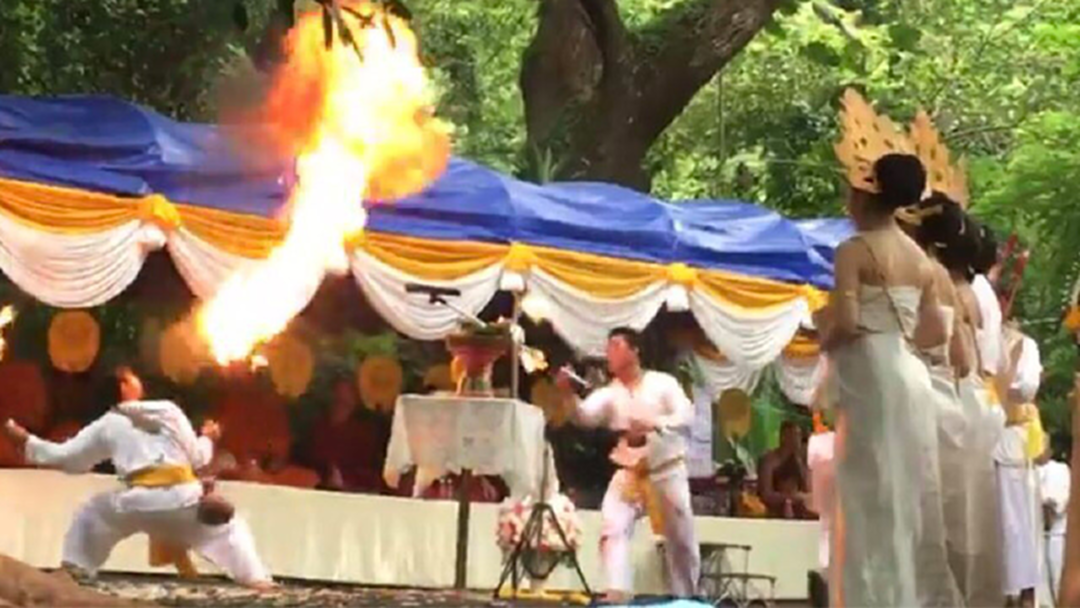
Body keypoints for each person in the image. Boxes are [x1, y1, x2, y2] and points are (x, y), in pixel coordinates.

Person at [815, 151, 961, 606]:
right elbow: (935, 332)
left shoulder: (854, 250)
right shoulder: (921, 259)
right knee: (904, 499)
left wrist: (823, 335)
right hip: (909, 373)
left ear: (865, 194)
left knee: (865, 499)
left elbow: (846, 320)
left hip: (871, 374)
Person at [0, 366, 272, 590]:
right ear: (124, 386)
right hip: (184, 500)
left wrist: (27, 441)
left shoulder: (108, 423)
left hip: (136, 503)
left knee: (93, 512)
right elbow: (198, 459)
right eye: (132, 377)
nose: (139, 380)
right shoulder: (167, 410)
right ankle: (258, 581)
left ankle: (76, 570)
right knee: (230, 529)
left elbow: (68, 458)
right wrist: (209, 437)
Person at [555, 327, 699, 602]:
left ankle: (687, 597)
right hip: (630, 471)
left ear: (635, 351)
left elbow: (686, 414)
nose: (609, 352)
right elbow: (584, 417)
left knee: (680, 539)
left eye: (616, 345)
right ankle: (617, 591)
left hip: (666, 470)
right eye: (608, 346)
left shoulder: (663, 383)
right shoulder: (611, 393)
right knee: (613, 525)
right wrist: (568, 394)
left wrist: (654, 423)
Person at [757, 421, 811, 519]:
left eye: (798, 436)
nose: (797, 440)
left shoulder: (799, 462)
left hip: (798, 510)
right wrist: (788, 498)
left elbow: (807, 490)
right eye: (793, 435)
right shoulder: (770, 461)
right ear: (783, 437)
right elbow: (766, 494)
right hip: (774, 511)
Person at [1039, 452, 1069, 605]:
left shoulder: (1059, 470)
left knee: (1058, 580)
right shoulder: (1028, 472)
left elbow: (1058, 504)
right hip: (1036, 538)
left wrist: (1049, 507)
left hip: (1057, 534)